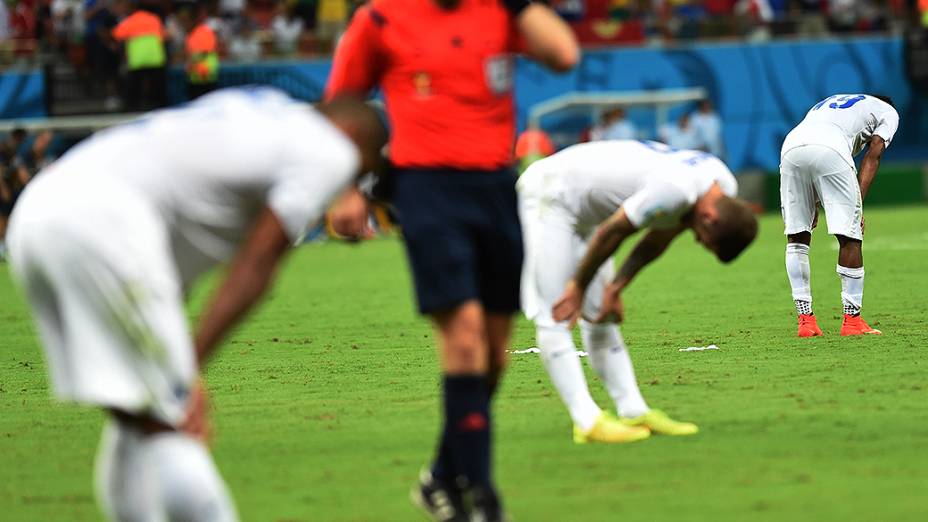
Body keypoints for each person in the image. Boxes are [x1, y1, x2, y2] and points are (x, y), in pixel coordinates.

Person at [6, 88, 386, 522]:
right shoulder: (328, 149)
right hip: (99, 222)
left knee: (138, 417)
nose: (350, 184)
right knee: (173, 419)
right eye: (362, 171)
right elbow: (256, 265)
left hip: (38, 215)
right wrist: (190, 367)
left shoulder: (261, 111)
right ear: (353, 137)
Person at [325, 1, 579, 520]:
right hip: (425, 187)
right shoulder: (380, 17)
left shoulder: (499, 11)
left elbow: (563, 54)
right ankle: (480, 498)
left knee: (494, 356)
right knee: (462, 337)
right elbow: (341, 103)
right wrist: (344, 187)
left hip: (494, 185)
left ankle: (441, 477)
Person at [520, 140, 757, 443]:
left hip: (586, 212)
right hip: (551, 194)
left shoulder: (722, 185)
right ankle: (587, 420)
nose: (696, 240)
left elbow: (657, 239)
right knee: (556, 310)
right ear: (710, 219)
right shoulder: (676, 190)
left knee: (600, 315)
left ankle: (632, 410)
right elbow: (615, 231)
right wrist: (577, 286)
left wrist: (616, 287)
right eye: (703, 239)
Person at [779, 94, 899, 337]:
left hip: (791, 146)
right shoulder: (888, 111)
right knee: (849, 235)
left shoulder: (831, 101)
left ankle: (806, 322)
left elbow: (811, 147)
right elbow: (874, 151)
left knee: (797, 237)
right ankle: (852, 321)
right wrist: (858, 205)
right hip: (830, 148)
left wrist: (811, 201)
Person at [112, 0, 168, 110]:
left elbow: (116, 34)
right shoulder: (154, 18)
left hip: (138, 60)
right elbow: (164, 36)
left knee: (134, 86)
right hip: (155, 58)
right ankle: (158, 106)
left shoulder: (129, 21)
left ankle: (132, 107)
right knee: (157, 86)